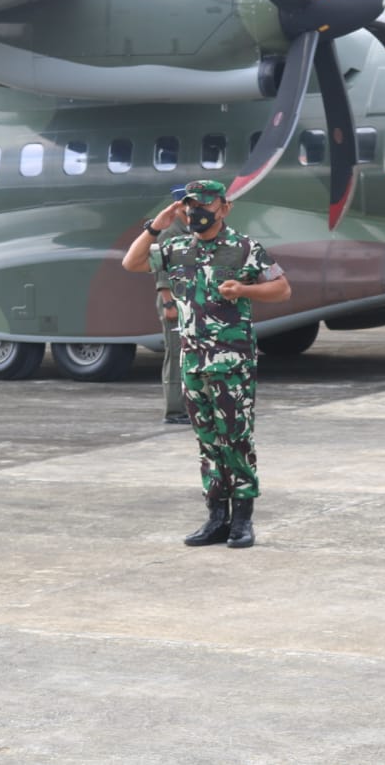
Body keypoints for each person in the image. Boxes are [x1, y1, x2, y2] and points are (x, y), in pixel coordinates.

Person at [122, 179, 291, 548]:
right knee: (208, 441)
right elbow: (131, 262)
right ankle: (216, 518)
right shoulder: (177, 247)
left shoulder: (244, 248)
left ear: (223, 208)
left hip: (232, 363)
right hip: (193, 361)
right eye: (190, 205)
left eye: (204, 205)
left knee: (236, 439)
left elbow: (282, 289)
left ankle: (242, 521)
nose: (196, 211)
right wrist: (157, 225)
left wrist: (245, 290)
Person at [154, 187, 190, 425]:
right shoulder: (169, 232)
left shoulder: (189, 230)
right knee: (176, 354)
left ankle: (189, 406)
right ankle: (175, 411)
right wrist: (168, 302)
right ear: (177, 206)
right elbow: (162, 269)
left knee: (189, 355)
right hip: (173, 300)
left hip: (188, 300)